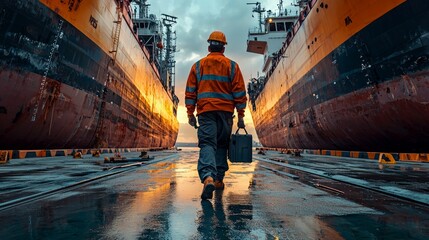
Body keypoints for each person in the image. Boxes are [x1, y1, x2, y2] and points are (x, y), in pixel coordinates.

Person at [185, 31, 247, 200]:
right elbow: (240, 93)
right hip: (226, 113)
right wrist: (241, 116)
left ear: (209, 46)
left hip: (206, 112)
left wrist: (190, 113)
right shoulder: (232, 66)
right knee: (221, 144)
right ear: (223, 48)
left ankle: (208, 178)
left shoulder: (198, 66)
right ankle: (218, 180)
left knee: (207, 144)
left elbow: (190, 92)